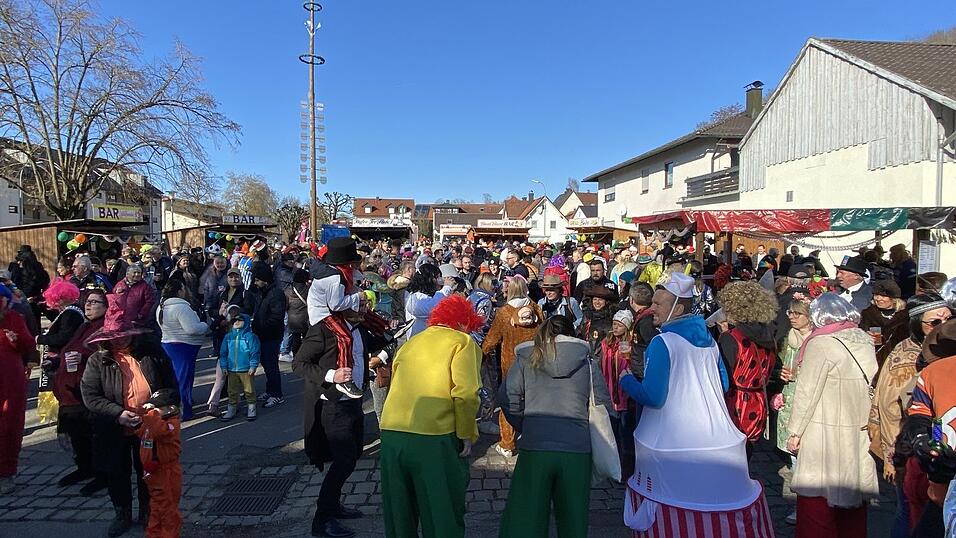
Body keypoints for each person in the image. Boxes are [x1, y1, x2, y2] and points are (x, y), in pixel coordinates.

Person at [619, 273, 770, 536]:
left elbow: (654, 396)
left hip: (671, 438)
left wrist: (627, 380)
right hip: (714, 432)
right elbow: (723, 384)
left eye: (659, 304)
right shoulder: (709, 341)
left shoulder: (663, 342)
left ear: (677, 308)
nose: (652, 308)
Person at [497, 315, 611, 537]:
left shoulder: (527, 357)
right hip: (576, 447)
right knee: (574, 518)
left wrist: (524, 423)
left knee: (526, 517)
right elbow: (603, 403)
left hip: (536, 443)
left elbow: (507, 396)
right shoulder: (587, 362)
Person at [379, 295, 483, 538]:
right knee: (441, 512)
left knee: (398, 515)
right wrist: (466, 433)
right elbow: (466, 394)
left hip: (393, 435)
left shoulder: (412, 342)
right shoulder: (462, 343)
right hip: (433, 437)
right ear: (464, 322)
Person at [81, 293, 180, 538]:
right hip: (114, 428)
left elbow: (171, 388)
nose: (117, 341)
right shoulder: (98, 360)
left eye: (121, 336)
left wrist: (155, 406)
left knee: (148, 470)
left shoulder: (152, 354)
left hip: (148, 427)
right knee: (117, 472)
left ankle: (148, 511)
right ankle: (122, 513)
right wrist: (117, 413)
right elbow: (90, 396)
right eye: (112, 337)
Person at [786, 293, 879, 537]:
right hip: (858, 427)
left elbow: (807, 393)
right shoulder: (864, 339)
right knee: (853, 504)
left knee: (817, 504)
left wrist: (794, 432)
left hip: (824, 429)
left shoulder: (821, 343)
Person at [294, 302, 386, 538]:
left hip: (354, 400)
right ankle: (322, 521)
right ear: (343, 307)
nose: (365, 308)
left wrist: (391, 330)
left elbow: (381, 343)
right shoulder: (324, 329)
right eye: (359, 305)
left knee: (353, 454)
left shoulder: (359, 328)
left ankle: (333, 505)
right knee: (343, 460)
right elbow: (299, 363)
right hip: (332, 404)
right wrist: (331, 375)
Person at [868, 292, 951, 538]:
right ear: (917, 324)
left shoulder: (938, 353)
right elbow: (890, 410)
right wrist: (894, 458)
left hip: (930, 452)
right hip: (911, 453)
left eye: (949, 319)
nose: (943, 326)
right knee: (911, 515)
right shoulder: (908, 359)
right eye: (935, 322)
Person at [51, 288, 108, 495]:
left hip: (90, 389)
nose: (89, 305)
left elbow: (106, 355)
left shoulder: (105, 327)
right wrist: (56, 360)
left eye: (95, 302)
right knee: (77, 433)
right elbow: (70, 347)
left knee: (93, 434)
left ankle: (103, 473)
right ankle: (85, 468)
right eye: (88, 302)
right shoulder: (84, 325)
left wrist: (83, 358)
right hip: (71, 392)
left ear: (105, 306)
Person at [482, 277, 544, 458]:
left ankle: (508, 444)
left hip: (511, 365)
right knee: (533, 402)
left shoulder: (504, 313)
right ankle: (533, 440)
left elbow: (492, 339)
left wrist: (481, 355)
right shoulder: (536, 309)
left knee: (509, 403)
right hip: (534, 362)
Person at [717, 281, 779, 459]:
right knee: (747, 456)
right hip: (758, 402)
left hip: (735, 404)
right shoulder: (769, 335)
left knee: (730, 458)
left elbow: (724, 377)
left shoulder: (732, 338)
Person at [774, 292, 812, 524]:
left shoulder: (815, 340)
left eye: (798, 313)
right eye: (790, 312)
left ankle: (806, 507)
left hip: (805, 399)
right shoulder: (790, 337)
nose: (792, 317)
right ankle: (803, 506)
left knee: (804, 457)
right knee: (794, 457)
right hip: (790, 397)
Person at [0, 284, 36, 495]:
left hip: (10, 378)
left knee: (9, 423)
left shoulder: (14, 317)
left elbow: (29, 343)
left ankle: (6, 472)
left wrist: (18, 340)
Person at [157, 278, 211, 421]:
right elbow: (192, 329)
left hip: (169, 345)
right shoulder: (181, 307)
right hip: (183, 347)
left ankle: (177, 407)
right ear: (179, 291)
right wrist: (205, 325)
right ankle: (184, 411)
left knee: (175, 379)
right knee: (184, 380)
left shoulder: (162, 306)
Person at [598, 308, 636, 477]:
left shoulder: (630, 345)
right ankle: (614, 466)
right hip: (609, 393)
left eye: (619, 325)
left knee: (625, 432)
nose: (615, 327)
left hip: (624, 395)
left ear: (626, 327)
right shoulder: (606, 344)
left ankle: (627, 467)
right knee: (611, 433)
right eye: (614, 324)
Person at [245, 264, 288, 407]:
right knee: (266, 364)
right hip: (262, 334)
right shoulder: (262, 292)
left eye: (257, 280)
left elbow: (277, 316)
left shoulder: (275, 293)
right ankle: (270, 390)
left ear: (265, 279)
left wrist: (263, 327)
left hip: (271, 335)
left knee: (271, 365)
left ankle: (276, 394)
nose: (255, 283)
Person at [219, 308, 260, 421]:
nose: (236, 322)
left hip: (246, 369)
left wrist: (253, 366)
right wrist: (223, 365)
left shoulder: (250, 337)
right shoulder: (228, 337)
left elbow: (254, 352)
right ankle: (231, 407)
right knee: (231, 390)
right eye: (234, 321)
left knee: (249, 389)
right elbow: (223, 353)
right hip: (232, 369)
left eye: (239, 320)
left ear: (245, 321)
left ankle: (251, 406)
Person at [404, 263, 454, 339]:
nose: (439, 280)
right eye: (437, 277)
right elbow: (430, 309)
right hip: (419, 340)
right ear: (429, 279)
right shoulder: (416, 296)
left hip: (429, 338)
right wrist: (446, 288)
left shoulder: (427, 295)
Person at [111, 263, 158, 333]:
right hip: (120, 320)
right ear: (127, 274)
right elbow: (113, 298)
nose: (137, 275)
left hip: (137, 321)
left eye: (139, 273)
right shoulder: (120, 284)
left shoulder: (145, 286)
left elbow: (150, 302)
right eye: (134, 272)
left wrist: (141, 314)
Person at [578, 285, 618, 349]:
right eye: (595, 299)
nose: (597, 302)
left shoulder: (610, 318)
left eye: (600, 300)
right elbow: (580, 331)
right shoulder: (587, 315)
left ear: (606, 302)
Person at [285, 268, 311, 355]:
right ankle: (306, 355)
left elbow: (285, 305)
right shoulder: (308, 290)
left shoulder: (288, 290)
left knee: (295, 338)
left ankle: (295, 355)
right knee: (307, 338)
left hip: (293, 318)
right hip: (305, 318)